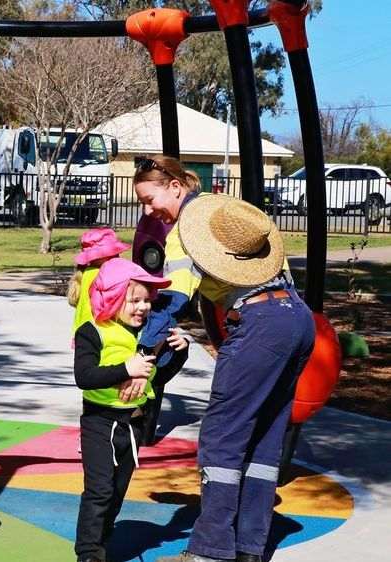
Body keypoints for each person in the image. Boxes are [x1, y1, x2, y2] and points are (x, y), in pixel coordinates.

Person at [131, 158, 316, 562]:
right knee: (264, 436)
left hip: (260, 325)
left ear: (176, 186)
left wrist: (144, 350)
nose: (149, 211)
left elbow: (172, 301)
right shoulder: (232, 217)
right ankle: (250, 547)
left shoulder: (188, 231)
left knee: (222, 439)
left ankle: (209, 552)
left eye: (149, 199)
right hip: (297, 319)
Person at [73, 258, 188, 562]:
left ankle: (102, 540)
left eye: (147, 301)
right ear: (112, 298)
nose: (143, 307)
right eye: (134, 300)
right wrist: (125, 368)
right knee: (99, 491)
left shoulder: (144, 337)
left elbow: (156, 377)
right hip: (100, 423)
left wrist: (179, 353)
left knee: (117, 492)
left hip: (133, 426)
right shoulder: (93, 332)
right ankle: (88, 554)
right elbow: (83, 376)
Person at [67, 228, 131, 335]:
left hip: (83, 330)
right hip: (99, 333)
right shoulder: (101, 274)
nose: (116, 256)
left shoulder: (86, 272)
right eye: (111, 254)